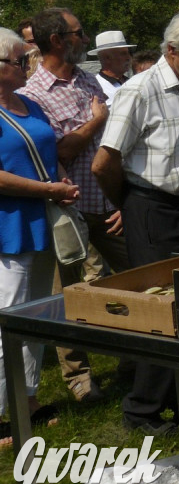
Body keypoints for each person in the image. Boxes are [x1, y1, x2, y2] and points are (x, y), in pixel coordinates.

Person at [92, 9, 179, 434]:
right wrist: (130, 205)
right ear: (172, 51)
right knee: (161, 308)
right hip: (152, 206)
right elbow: (104, 162)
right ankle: (142, 410)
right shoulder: (139, 90)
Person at [20, 9, 130, 404]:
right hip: (68, 209)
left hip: (108, 202)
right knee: (68, 294)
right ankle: (79, 378)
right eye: (78, 33)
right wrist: (95, 123)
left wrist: (123, 195)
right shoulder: (32, 96)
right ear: (57, 41)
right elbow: (60, 150)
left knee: (135, 276)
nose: (84, 39)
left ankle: (136, 359)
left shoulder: (87, 81)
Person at [0, 27, 79, 447]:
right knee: (6, 319)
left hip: (42, 221)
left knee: (35, 315)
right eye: (18, 61)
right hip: (8, 223)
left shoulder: (29, 103)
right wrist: (48, 190)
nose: (25, 66)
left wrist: (61, 181)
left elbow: (48, 153)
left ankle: (26, 400)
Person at [89, 30, 136, 105]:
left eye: (129, 53)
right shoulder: (94, 87)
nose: (128, 57)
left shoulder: (133, 82)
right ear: (107, 58)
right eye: (123, 54)